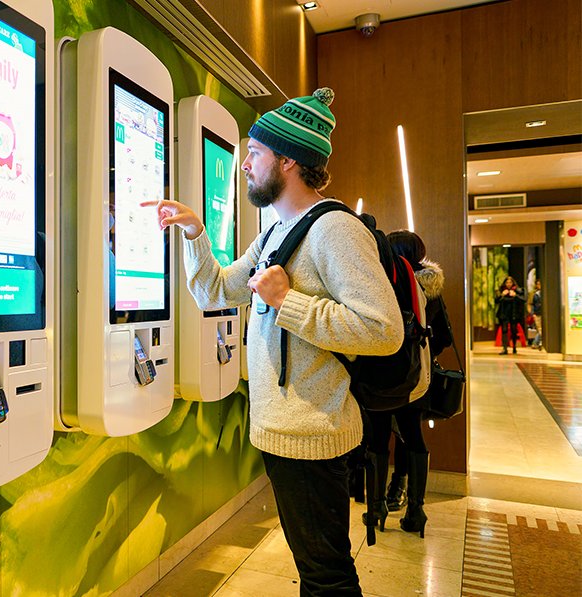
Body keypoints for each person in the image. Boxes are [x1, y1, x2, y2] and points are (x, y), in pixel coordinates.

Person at [143, 88, 404, 596]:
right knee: (317, 572)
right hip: (284, 434)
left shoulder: (335, 230)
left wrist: (290, 303)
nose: (244, 164)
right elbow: (217, 290)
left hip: (313, 437)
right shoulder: (273, 234)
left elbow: (384, 329)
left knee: (327, 577)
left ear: (288, 160)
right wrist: (196, 233)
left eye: (255, 153)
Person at [362, 230, 454, 538]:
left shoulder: (378, 282)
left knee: (377, 439)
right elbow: (441, 337)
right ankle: (416, 510)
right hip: (416, 379)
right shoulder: (430, 288)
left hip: (377, 376)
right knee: (413, 437)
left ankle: (376, 509)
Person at [496, 276, 526, 355]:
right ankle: (505, 348)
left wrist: (515, 295)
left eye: (510, 283)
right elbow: (496, 301)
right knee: (504, 330)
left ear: (513, 283)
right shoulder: (501, 290)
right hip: (504, 313)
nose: (508, 284)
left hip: (514, 313)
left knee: (513, 330)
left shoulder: (518, 291)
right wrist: (502, 295)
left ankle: (514, 347)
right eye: (507, 283)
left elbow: (523, 300)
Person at [530, 280, 543, 349]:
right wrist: (533, 313)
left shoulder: (544, 294)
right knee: (540, 330)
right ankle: (536, 342)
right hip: (537, 314)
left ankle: (537, 342)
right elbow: (532, 304)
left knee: (541, 330)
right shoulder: (536, 294)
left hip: (542, 313)